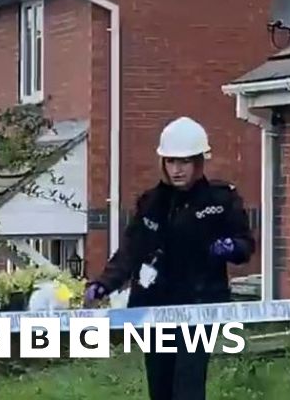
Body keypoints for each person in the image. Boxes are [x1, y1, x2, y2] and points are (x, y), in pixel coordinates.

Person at [83, 116, 255, 400]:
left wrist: (230, 246)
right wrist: (104, 284)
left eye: (184, 162)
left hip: (199, 308)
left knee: (188, 386)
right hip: (155, 307)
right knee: (160, 386)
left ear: (199, 162)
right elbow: (130, 251)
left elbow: (246, 245)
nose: (177, 169)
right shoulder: (151, 203)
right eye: (171, 162)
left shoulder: (221, 200)